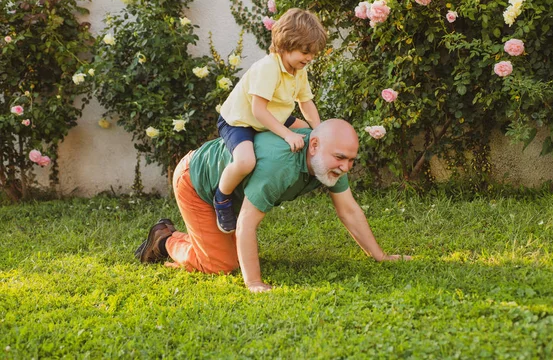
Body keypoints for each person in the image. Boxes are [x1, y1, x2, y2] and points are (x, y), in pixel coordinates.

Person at [135, 119, 412, 293]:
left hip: (232, 191)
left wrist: (380, 256)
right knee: (220, 263)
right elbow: (246, 224)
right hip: (196, 180)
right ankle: (165, 239)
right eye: (340, 157)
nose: (346, 166)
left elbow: (349, 210)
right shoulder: (279, 167)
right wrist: (253, 282)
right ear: (313, 145)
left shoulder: (329, 165)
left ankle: (200, 243)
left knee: (227, 251)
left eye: (351, 160)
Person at [214, 8, 327, 233]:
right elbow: (258, 111)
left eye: (313, 53)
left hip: (274, 115)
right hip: (242, 121)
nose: (310, 58)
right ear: (286, 44)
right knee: (246, 161)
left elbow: (305, 103)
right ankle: (222, 198)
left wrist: (320, 130)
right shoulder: (269, 68)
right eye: (306, 51)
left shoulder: (298, 70)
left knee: (306, 129)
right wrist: (286, 134)